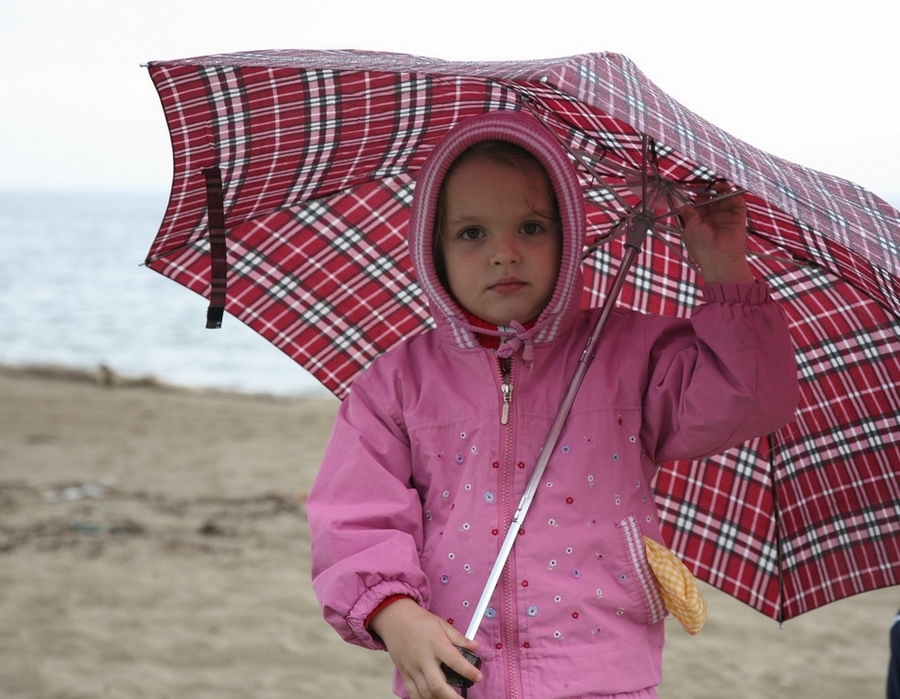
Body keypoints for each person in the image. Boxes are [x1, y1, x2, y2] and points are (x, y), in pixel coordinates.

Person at [306, 110, 799, 699]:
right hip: (457, 671)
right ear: (432, 252)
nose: (504, 253)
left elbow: (750, 398)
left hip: (603, 672)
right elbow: (356, 516)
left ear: (569, 238)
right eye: (472, 233)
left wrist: (723, 269)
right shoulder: (395, 384)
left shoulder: (630, 353)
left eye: (532, 228)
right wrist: (394, 614)